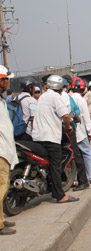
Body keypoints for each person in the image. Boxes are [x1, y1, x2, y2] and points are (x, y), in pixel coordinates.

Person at [32, 74, 79, 203]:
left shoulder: (42, 97)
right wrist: (68, 126)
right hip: (51, 137)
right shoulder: (56, 97)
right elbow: (65, 116)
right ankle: (59, 195)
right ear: (61, 87)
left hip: (37, 136)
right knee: (55, 167)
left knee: (45, 164)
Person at [61, 75, 89, 191]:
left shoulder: (66, 97)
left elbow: (75, 111)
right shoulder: (51, 97)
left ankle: (83, 181)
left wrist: (70, 119)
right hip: (58, 130)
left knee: (76, 155)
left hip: (68, 129)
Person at [0, 65, 18, 235]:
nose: (6, 83)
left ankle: (1, 220)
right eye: (5, 79)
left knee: (3, 185)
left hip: (5, 150)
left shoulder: (2, 101)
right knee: (1, 186)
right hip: (1, 151)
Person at [70, 77, 91, 184]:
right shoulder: (81, 100)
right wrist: (90, 132)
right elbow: (86, 117)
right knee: (87, 154)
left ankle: (75, 178)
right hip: (81, 132)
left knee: (74, 156)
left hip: (71, 133)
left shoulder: (69, 98)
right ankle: (90, 176)